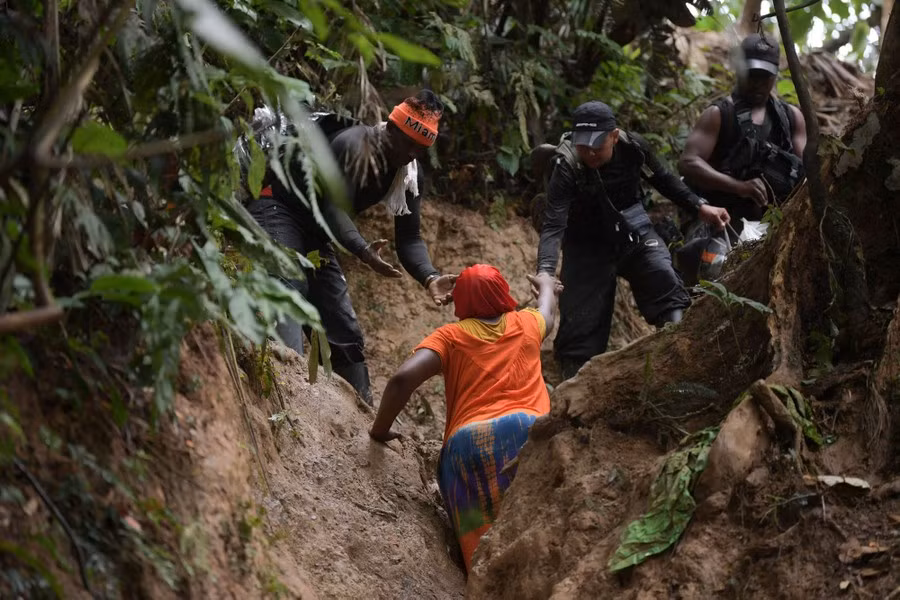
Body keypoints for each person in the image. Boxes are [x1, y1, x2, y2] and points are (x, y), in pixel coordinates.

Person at [246, 90, 457, 406]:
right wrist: (362, 250)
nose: (413, 153)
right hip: (277, 205)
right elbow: (333, 208)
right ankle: (284, 397)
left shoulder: (410, 173)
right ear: (392, 128)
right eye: (409, 143)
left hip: (317, 230)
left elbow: (410, 239)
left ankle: (360, 415)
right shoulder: (355, 145)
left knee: (342, 325)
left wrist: (429, 277)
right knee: (289, 287)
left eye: (422, 148)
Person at [370, 265, 561, 571]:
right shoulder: (527, 323)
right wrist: (547, 284)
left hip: (466, 450)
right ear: (504, 294)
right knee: (538, 536)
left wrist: (379, 431)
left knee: (483, 559)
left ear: (460, 303)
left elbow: (401, 379)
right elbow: (547, 311)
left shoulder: (450, 337)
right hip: (528, 435)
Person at [537, 100, 731, 381]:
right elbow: (554, 223)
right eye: (583, 146)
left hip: (633, 229)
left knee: (664, 279)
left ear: (614, 136)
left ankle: (679, 363)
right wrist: (545, 271)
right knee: (580, 324)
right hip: (585, 243)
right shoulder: (566, 164)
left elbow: (664, 179)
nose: (590, 152)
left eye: (597, 145)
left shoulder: (632, 148)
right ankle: (574, 384)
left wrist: (699, 206)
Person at [678, 33, 807, 234]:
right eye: (752, 74)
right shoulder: (719, 115)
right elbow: (688, 163)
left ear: (775, 76)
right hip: (721, 220)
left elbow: (807, 172)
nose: (758, 83)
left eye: (765, 76)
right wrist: (740, 186)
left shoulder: (791, 118)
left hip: (773, 227)